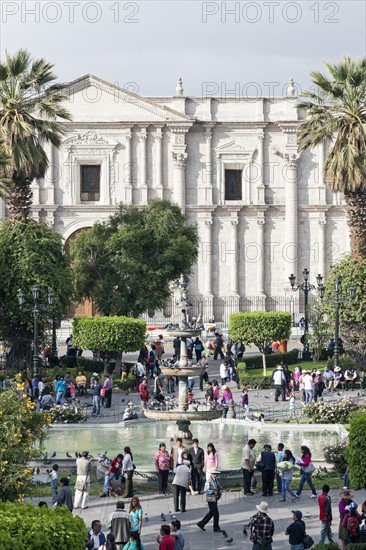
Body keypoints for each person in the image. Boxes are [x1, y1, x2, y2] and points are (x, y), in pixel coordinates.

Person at [197, 467, 223, 532]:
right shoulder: (209, 480)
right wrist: (213, 491)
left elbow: (217, 486)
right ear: (211, 474)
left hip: (214, 498)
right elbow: (206, 489)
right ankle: (216, 527)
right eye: (214, 473)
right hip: (211, 499)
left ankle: (201, 523)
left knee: (211, 513)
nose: (215, 474)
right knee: (215, 513)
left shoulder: (215, 480)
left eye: (216, 473)